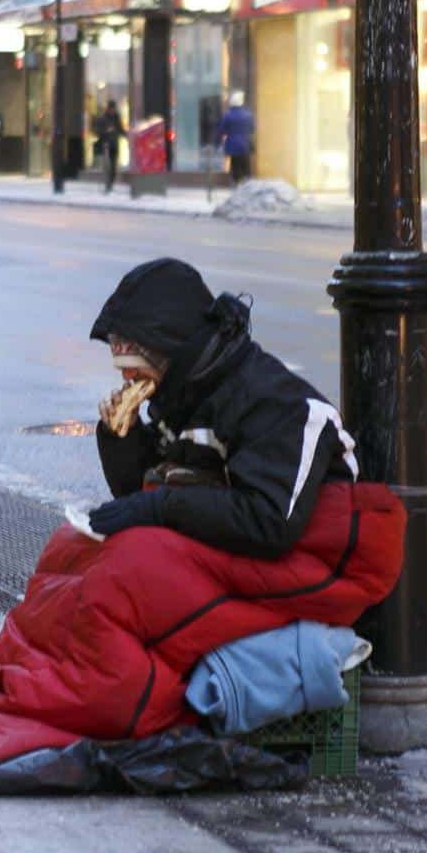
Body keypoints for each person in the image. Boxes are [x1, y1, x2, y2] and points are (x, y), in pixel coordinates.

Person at [85, 258, 357, 559]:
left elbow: (268, 522)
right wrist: (122, 437)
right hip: (241, 548)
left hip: (315, 558)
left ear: (169, 352)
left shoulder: (274, 403)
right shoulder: (183, 396)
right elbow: (137, 496)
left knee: (121, 578)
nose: (126, 377)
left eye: (133, 365)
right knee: (76, 550)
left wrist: (160, 506)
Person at [217, 91, 253, 185]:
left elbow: (222, 130)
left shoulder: (228, 115)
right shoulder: (248, 114)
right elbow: (252, 129)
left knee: (235, 165)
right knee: (246, 165)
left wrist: (216, 141)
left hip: (232, 145)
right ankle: (247, 184)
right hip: (245, 144)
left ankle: (236, 183)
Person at [94, 101, 125, 193]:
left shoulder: (116, 118)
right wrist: (106, 131)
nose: (112, 110)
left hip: (114, 144)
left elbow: (120, 129)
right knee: (107, 166)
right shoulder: (102, 118)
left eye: (114, 109)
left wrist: (124, 135)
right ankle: (107, 185)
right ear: (108, 108)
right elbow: (98, 131)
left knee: (114, 166)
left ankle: (110, 183)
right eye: (111, 108)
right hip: (105, 144)